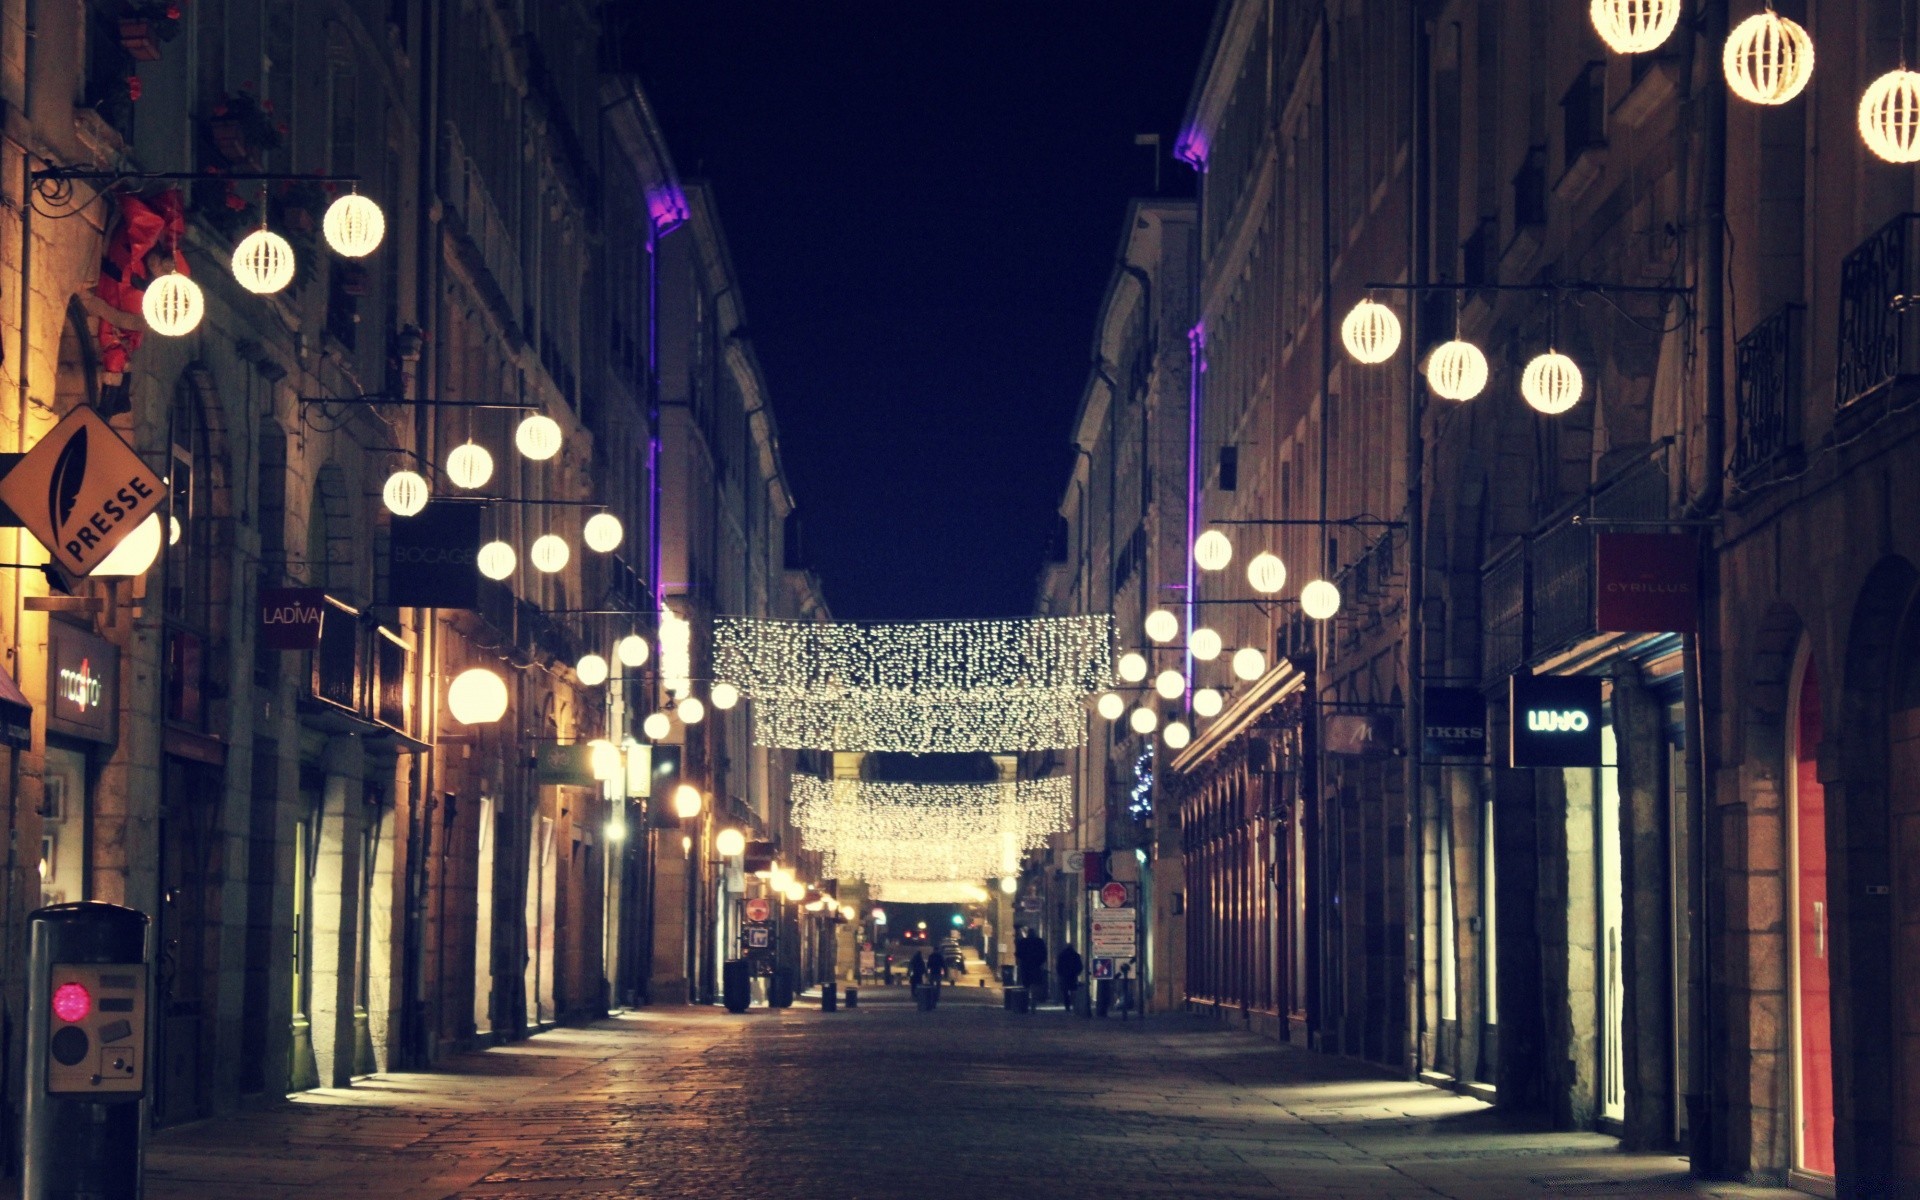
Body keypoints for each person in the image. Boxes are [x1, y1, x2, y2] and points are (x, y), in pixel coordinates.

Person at [1056, 941, 1083, 1012]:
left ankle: (1067, 1006)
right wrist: (1077, 972)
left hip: (1064, 975)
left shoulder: (1062, 955)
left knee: (1065, 991)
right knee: (1073, 990)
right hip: (1073, 975)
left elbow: (1058, 966)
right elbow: (1080, 966)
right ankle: (1074, 1005)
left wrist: (1060, 973)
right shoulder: (1076, 955)